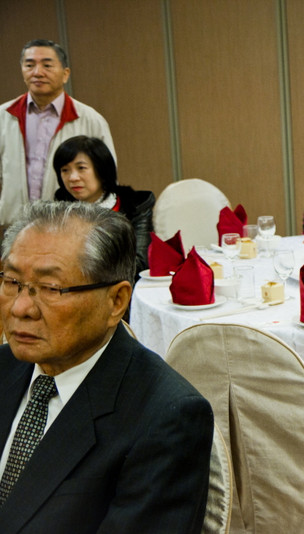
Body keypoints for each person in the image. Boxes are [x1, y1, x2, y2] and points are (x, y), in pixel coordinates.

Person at [0, 201, 213, 533]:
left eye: (51, 288)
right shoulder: (6, 366)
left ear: (116, 301)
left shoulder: (165, 418)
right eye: (12, 281)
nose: (21, 308)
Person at [0, 40, 115, 227]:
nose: (37, 72)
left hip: (71, 228)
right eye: (29, 65)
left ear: (65, 74)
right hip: (15, 228)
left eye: (47, 65)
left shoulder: (90, 120)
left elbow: (108, 178)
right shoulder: (3, 116)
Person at [53, 136, 154, 275]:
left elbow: (139, 264)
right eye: (65, 170)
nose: (73, 177)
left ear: (102, 170)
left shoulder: (135, 207)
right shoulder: (56, 210)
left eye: (81, 168)